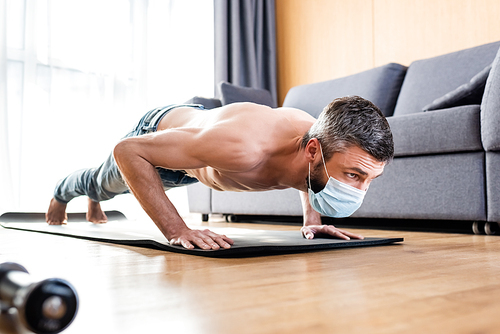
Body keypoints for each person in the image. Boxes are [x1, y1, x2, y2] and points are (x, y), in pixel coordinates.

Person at [46, 95, 394, 250]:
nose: (359, 190)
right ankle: (63, 195)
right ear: (314, 151)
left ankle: (95, 200)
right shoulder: (243, 146)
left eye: (368, 180)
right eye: (354, 176)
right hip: (162, 137)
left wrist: (311, 220)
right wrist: (177, 229)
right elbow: (129, 151)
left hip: (203, 149)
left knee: (107, 191)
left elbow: (309, 178)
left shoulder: (312, 144)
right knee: (103, 184)